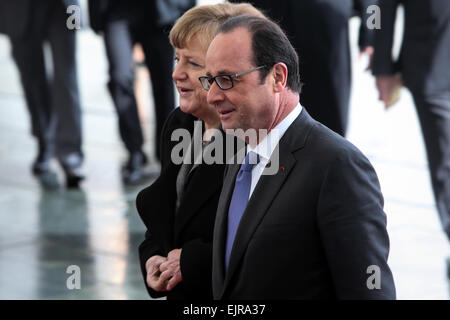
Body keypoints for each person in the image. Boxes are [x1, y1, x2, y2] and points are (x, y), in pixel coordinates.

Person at [203, 15, 396, 299]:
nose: (212, 96)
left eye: (226, 80)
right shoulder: (241, 155)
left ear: (277, 77)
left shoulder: (338, 166)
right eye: (210, 81)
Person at [136, 3, 265, 300]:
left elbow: (265, 243)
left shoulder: (255, 139)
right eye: (176, 59)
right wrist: (154, 256)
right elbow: (168, 214)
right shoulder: (181, 122)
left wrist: (191, 262)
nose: (176, 73)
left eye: (192, 64)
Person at [229, 0, 378, 137]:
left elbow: (373, 4)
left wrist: (372, 35)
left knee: (327, 114)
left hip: (324, 23)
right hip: (264, 18)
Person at [88, 0, 195, 184]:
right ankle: (135, 152)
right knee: (120, 78)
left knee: (164, 83)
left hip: (160, 11)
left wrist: (185, 8)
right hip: (116, 11)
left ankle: (165, 153)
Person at [372, 0, 450, 244]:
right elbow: (383, 6)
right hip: (431, 67)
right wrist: (382, 66)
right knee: (445, 165)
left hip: (431, 64)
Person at [0, 0, 84, 188]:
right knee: (32, 80)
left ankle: (71, 155)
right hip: (17, 10)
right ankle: (44, 141)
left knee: (66, 78)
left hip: (66, 8)